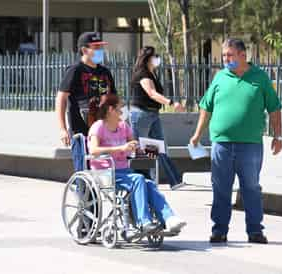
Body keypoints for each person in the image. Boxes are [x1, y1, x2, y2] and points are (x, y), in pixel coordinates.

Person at [190, 38, 282, 244]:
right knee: (220, 188)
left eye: (230, 55)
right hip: (221, 144)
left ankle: (255, 231)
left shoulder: (260, 78)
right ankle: (219, 230)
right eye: (224, 56)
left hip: (250, 145)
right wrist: (197, 134)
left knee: (251, 188)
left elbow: (274, 108)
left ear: (243, 55)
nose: (226, 59)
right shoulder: (220, 77)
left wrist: (278, 136)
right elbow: (206, 107)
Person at [88, 93, 187, 233]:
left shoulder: (123, 127)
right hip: (106, 174)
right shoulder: (98, 127)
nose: (122, 113)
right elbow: (93, 150)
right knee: (139, 179)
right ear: (110, 110)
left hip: (124, 172)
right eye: (119, 109)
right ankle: (143, 221)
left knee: (149, 183)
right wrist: (120, 148)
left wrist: (149, 149)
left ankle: (169, 218)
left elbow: (134, 145)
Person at [56, 32, 117, 171]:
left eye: (101, 47)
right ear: (84, 50)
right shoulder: (75, 70)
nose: (100, 51)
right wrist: (62, 129)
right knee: (83, 168)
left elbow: (114, 99)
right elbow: (61, 98)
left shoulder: (105, 72)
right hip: (81, 131)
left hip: (103, 131)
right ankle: (81, 191)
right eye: (96, 47)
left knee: (103, 171)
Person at [129, 46, 186, 190]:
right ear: (148, 58)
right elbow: (152, 93)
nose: (157, 59)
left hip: (152, 114)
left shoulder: (151, 73)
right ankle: (142, 181)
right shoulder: (142, 74)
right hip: (141, 114)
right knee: (141, 150)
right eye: (155, 56)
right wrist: (171, 103)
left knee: (159, 148)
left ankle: (173, 180)